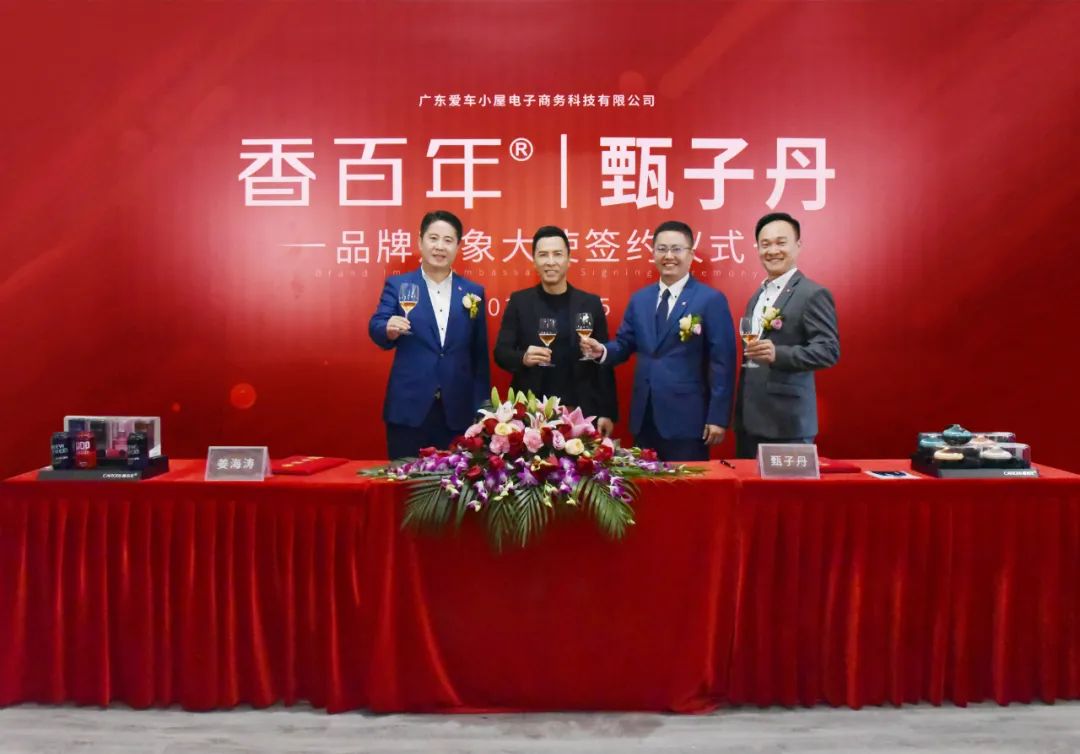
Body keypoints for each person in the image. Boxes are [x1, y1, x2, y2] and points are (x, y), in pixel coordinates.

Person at [580, 220, 736, 461]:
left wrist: (718, 417)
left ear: (691, 254)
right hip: (644, 417)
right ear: (653, 253)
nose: (668, 256)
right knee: (646, 483)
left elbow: (722, 363)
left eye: (676, 249)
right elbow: (624, 343)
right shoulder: (640, 299)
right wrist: (602, 351)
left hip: (688, 420)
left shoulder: (710, 299)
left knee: (687, 484)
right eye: (662, 249)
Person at [368, 210, 490, 459]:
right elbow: (377, 324)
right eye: (433, 238)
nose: (440, 246)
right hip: (409, 407)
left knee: (455, 480)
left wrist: (482, 408)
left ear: (458, 246)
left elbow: (479, 356)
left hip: (457, 410)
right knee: (404, 478)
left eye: (448, 240)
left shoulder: (473, 292)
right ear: (420, 241)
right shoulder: (399, 285)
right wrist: (388, 328)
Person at [493, 225, 617, 435]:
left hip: (580, 411)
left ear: (568, 259)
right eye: (543, 255)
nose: (550, 261)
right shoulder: (519, 301)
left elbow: (603, 364)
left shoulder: (590, 303)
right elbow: (501, 353)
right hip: (531, 413)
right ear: (534, 260)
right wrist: (523, 357)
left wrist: (607, 412)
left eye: (557, 254)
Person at [735, 211, 840, 459]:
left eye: (780, 243)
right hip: (749, 421)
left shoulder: (812, 294)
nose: (772, 250)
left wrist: (778, 354)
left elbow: (828, 350)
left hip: (787, 423)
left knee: (785, 487)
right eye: (765, 244)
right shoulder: (757, 295)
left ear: (798, 245)